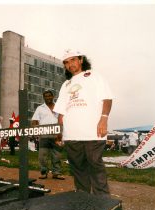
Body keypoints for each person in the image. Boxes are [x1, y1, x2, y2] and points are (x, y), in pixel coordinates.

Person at [54, 49, 113, 196]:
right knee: (78, 170)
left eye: (73, 60)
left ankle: (103, 204)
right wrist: (59, 133)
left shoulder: (94, 76)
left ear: (81, 60)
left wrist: (103, 119)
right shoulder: (66, 84)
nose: (69, 64)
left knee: (95, 167)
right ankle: (83, 203)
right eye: (66, 62)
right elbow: (61, 112)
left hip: (93, 132)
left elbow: (107, 98)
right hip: (71, 135)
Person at [32, 90, 64, 180]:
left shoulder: (58, 107)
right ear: (44, 97)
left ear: (53, 96)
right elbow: (34, 120)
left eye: (49, 96)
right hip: (44, 134)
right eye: (46, 96)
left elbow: (62, 119)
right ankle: (43, 172)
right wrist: (36, 130)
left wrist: (60, 133)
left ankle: (57, 173)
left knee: (57, 155)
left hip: (57, 134)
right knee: (42, 155)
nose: (48, 97)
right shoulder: (40, 108)